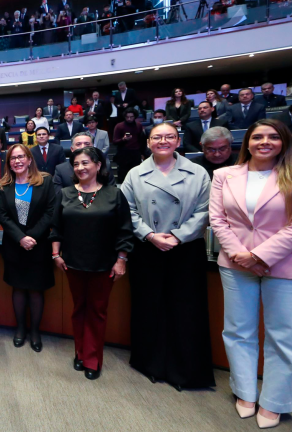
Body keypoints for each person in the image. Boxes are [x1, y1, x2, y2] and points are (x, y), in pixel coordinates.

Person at [209, 119, 292, 428]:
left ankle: (275, 401)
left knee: (283, 338)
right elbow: (218, 219)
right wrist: (240, 255)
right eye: (257, 136)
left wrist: (259, 255)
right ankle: (245, 392)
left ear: (284, 141)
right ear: (247, 142)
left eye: (272, 136)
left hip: (286, 266)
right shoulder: (224, 175)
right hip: (235, 265)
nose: (264, 142)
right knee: (237, 331)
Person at [120, 122, 215, 391]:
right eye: (157, 137)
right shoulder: (135, 174)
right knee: (149, 308)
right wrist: (150, 235)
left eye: (169, 136)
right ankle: (150, 363)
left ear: (178, 141)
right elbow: (127, 210)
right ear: (148, 142)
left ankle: (185, 370)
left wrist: (178, 236)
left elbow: (205, 210)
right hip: (148, 248)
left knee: (185, 310)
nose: (163, 141)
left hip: (184, 249)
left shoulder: (198, 172)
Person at [50, 147, 133, 378]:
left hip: (103, 264)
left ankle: (93, 359)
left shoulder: (113, 194)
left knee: (97, 312)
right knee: (78, 310)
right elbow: (56, 228)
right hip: (72, 264)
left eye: (85, 163)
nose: (80, 168)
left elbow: (125, 230)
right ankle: (80, 352)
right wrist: (56, 255)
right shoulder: (65, 193)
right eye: (76, 164)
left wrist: (121, 260)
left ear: (98, 165)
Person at [0, 144, 55, 352]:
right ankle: (21, 329)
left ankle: (35, 332)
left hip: (38, 246)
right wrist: (21, 237)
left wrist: (32, 236)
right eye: (13, 158)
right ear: (9, 163)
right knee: (19, 288)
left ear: (30, 159)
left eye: (21, 157)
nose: (17, 161)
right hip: (14, 245)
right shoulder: (3, 185)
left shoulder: (46, 181)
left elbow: (50, 212)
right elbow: (2, 215)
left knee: (36, 290)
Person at [113, 109, 146, 181]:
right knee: (123, 175)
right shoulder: (119, 126)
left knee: (136, 174)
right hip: (123, 153)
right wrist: (123, 139)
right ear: (125, 117)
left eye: (131, 117)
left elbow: (142, 140)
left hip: (136, 152)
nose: (129, 119)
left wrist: (142, 153)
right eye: (127, 117)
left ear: (135, 117)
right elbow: (115, 141)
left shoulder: (138, 125)